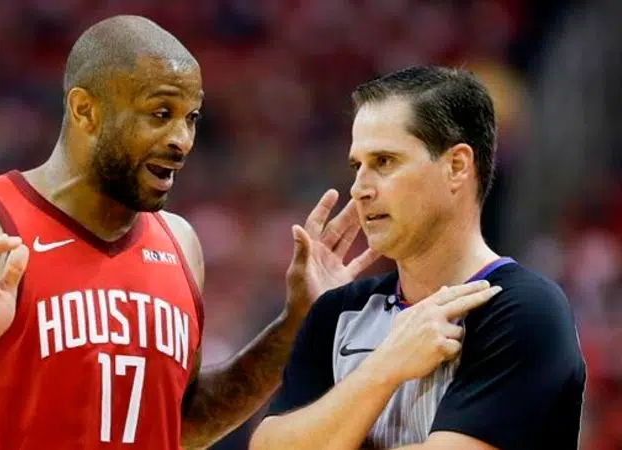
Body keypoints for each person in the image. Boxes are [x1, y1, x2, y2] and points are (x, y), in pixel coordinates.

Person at [0, 15, 386, 450]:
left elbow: (182, 426)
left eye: (192, 118)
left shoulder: (180, 243)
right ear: (86, 110)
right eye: (161, 113)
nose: (182, 140)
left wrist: (295, 325)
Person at [250, 66, 587, 450]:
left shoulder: (526, 310)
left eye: (384, 161)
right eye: (357, 166)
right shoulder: (338, 310)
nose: (359, 189)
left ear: (456, 166)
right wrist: (384, 367)